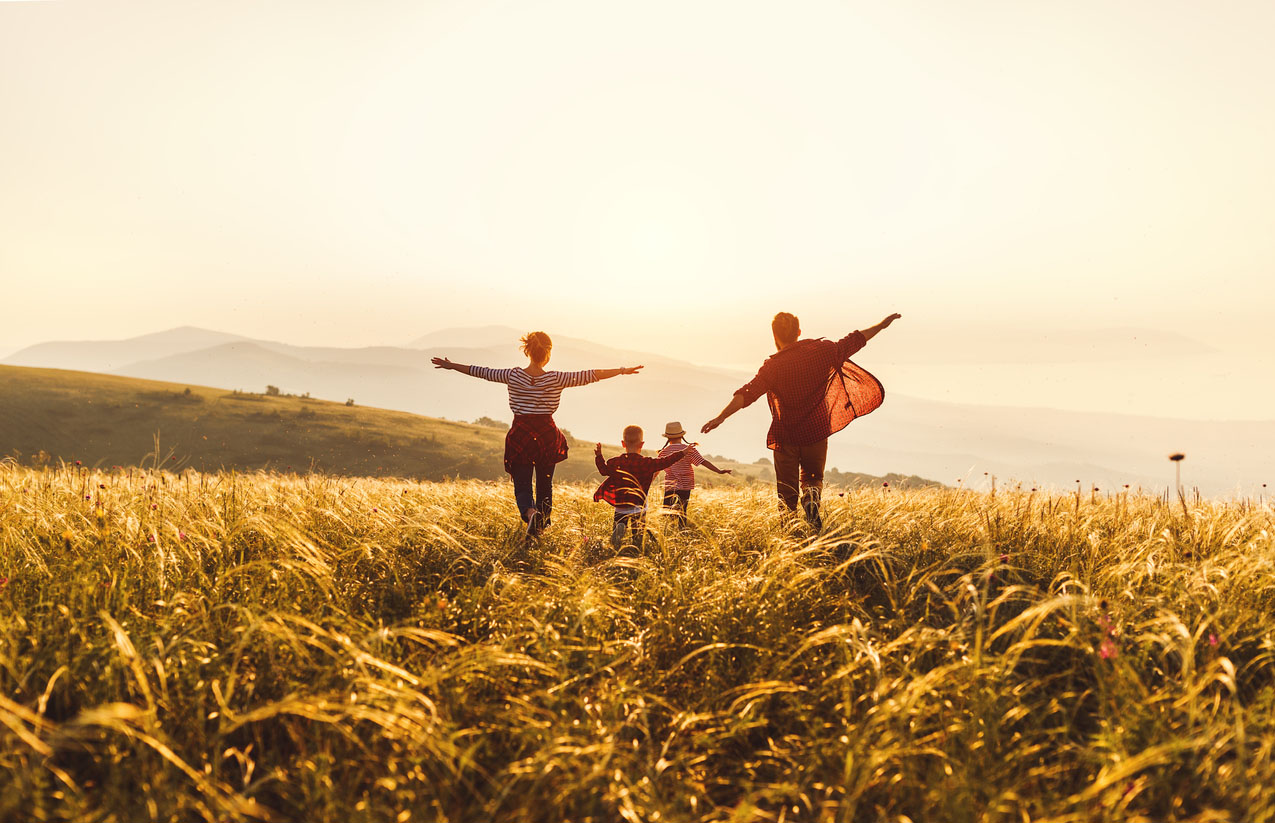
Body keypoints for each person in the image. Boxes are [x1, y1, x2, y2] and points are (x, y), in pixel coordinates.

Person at [701, 311, 901, 530]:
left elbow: (748, 393)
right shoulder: (823, 351)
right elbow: (855, 340)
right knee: (813, 479)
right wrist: (881, 325)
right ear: (798, 332)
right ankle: (812, 503)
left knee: (786, 492)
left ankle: (790, 537)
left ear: (775, 336)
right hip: (816, 431)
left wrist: (721, 417)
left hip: (786, 436)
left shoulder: (773, 366)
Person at [432, 332, 642, 537]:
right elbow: (592, 375)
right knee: (545, 483)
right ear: (548, 353)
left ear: (527, 351)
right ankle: (540, 523)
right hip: (546, 436)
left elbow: (481, 371)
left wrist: (452, 366)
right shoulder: (557, 378)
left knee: (522, 483)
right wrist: (622, 370)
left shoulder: (512, 375)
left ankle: (531, 513)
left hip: (521, 435)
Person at [594, 426, 691, 550]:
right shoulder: (647, 463)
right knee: (638, 534)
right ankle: (636, 547)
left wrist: (599, 456)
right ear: (642, 444)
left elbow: (603, 471)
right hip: (638, 506)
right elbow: (665, 462)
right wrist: (682, 453)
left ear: (623, 443)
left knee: (619, 524)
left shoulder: (615, 462)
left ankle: (618, 536)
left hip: (620, 506)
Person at [656, 421, 731, 528]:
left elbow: (656, 469)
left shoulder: (663, 452)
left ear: (667, 437)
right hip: (686, 486)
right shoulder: (689, 450)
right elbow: (703, 461)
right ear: (682, 435)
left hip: (670, 486)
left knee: (667, 512)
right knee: (683, 511)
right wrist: (719, 470)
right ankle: (682, 531)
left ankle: (668, 533)